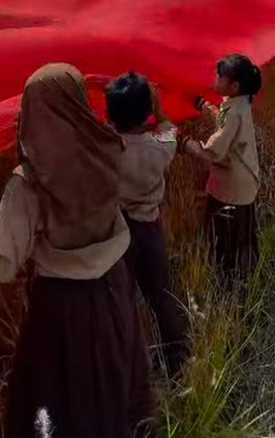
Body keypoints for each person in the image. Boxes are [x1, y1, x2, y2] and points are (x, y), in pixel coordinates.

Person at [0, 64, 152, 438]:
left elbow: (0, 263)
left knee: (57, 413)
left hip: (62, 311)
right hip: (114, 292)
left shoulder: (29, 184)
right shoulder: (108, 150)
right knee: (108, 394)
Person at [105, 72, 189, 377]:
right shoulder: (159, 149)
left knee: (122, 301)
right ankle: (177, 358)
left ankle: (131, 365)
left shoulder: (107, 150)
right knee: (160, 294)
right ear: (147, 114)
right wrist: (162, 112)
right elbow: (170, 132)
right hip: (149, 229)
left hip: (119, 233)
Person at [183, 55, 262, 277]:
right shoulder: (241, 102)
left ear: (234, 86)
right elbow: (224, 120)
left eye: (220, 77)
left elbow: (213, 151)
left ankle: (232, 283)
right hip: (244, 182)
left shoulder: (235, 112)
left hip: (231, 188)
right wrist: (206, 107)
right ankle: (247, 274)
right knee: (244, 233)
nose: (215, 79)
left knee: (227, 237)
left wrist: (186, 143)